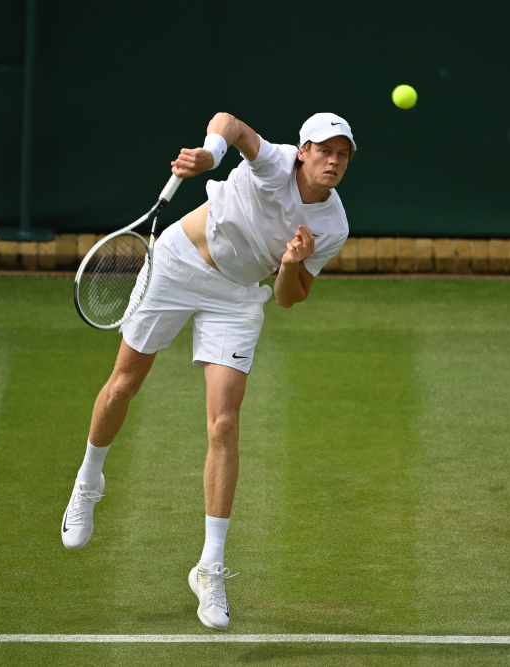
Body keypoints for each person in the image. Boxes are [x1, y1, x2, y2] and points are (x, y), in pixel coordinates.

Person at [60, 112, 355, 630]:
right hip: (177, 264)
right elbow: (230, 123)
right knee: (124, 385)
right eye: (324, 150)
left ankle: (209, 567)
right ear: (303, 151)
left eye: (343, 154)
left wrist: (289, 264)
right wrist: (210, 155)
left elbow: (291, 299)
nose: (333, 161)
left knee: (224, 424)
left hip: (238, 299)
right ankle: (88, 481)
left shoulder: (333, 226)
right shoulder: (274, 164)